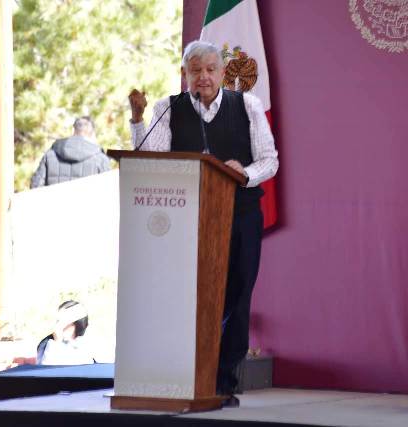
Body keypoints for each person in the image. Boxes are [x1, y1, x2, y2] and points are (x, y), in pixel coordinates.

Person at [128, 40, 279, 407]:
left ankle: (223, 382)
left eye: (211, 69)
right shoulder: (168, 108)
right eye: (195, 71)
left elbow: (269, 160)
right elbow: (150, 159)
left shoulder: (247, 105)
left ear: (223, 73)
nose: (204, 77)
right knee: (191, 298)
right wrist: (137, 120)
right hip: (187, 218)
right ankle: (187, 378)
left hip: (240, 215)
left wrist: (244, 173)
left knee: (237, 296)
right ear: (185, 75)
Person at [30, 116, 110, 188]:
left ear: (73, 131)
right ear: (93, 134)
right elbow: (108, 191)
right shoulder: (101, 159)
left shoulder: (50, 155)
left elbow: (36, 186)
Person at [37, 300, 95, 365]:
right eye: (58, 321)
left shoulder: (85, 346)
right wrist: (57, 342)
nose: (60, 325)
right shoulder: (47, 344)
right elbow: (44, 369)